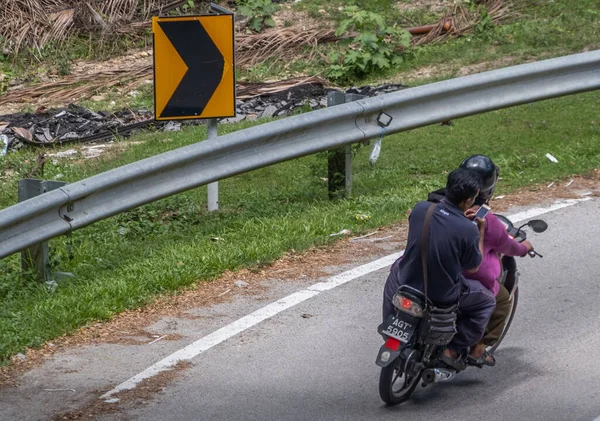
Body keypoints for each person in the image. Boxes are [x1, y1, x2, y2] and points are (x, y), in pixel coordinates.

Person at [382, 168, 496, 370]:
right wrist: (479, 229)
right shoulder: (468, 229)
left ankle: (390, 326)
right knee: (487, 301)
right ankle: (452, 350)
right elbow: (473, 266)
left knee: (395, 272)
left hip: (407, 280)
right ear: (469, 201)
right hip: (440, 294)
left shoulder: (420, 209)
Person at [428, 155, 534, 367]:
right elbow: (507, 247)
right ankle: (473, 348)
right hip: (462, 281)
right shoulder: (485, 221)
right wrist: (525, 248)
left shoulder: (431, 207)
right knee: (499, 300)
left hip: (430, 269)